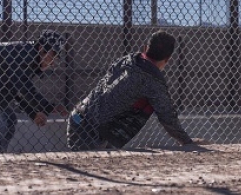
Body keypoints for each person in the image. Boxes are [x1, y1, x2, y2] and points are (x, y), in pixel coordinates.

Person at [67, 30, 200, 151]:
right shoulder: (153, 80)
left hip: (78, 115)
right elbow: (167, 117)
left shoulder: (129, 59)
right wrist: (187, 142)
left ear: (145, 48)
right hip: (93, 131)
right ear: (167, 59)